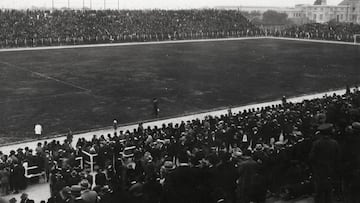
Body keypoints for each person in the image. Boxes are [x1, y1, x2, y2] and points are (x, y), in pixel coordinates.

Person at [309, 123, 340, 203]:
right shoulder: (334, 143)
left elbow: (311, 158)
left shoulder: (316, 143)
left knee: (319, 193)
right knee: (329, 193)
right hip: (330, 171)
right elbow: (337, 158)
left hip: (319, 171)